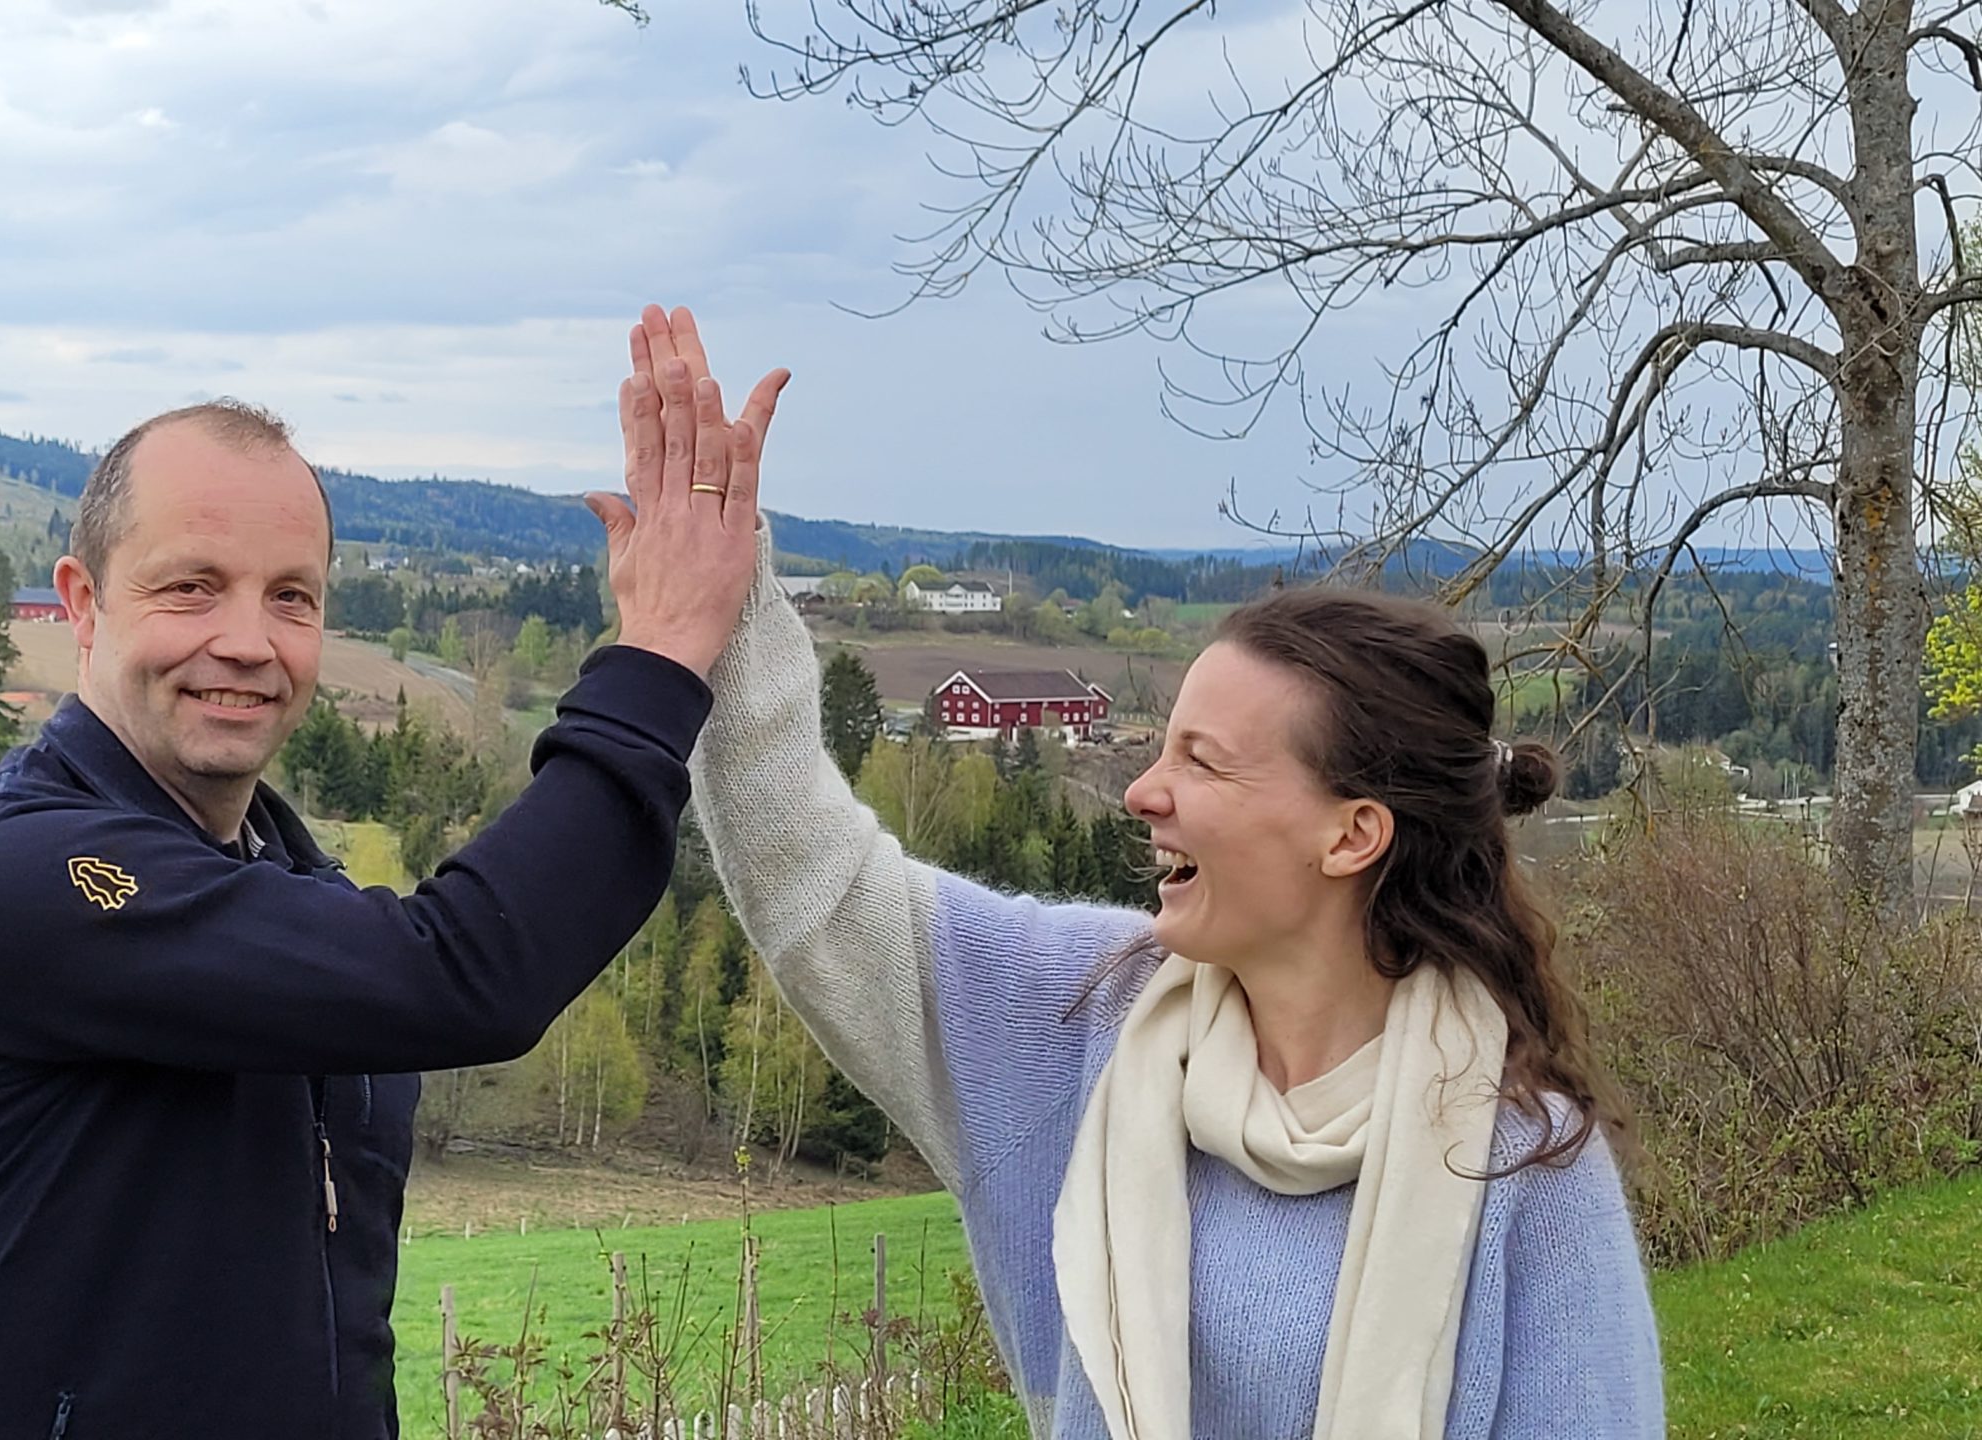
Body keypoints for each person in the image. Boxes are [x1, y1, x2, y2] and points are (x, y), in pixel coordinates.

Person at [656, 334, 1663, 1437]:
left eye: (1202, 761)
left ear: (1352, 834)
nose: (1142, 792)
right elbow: (824, 891)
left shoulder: (1525, 1169)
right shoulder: (1082, 1022)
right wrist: (726, 608)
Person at [0, 309, 788, 1440]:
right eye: (191, 586)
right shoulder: (16, 871)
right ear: (83, 603)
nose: (247, 639)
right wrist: (661, 653)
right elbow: (461, 974)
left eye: (291, 596)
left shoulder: (296, 889)